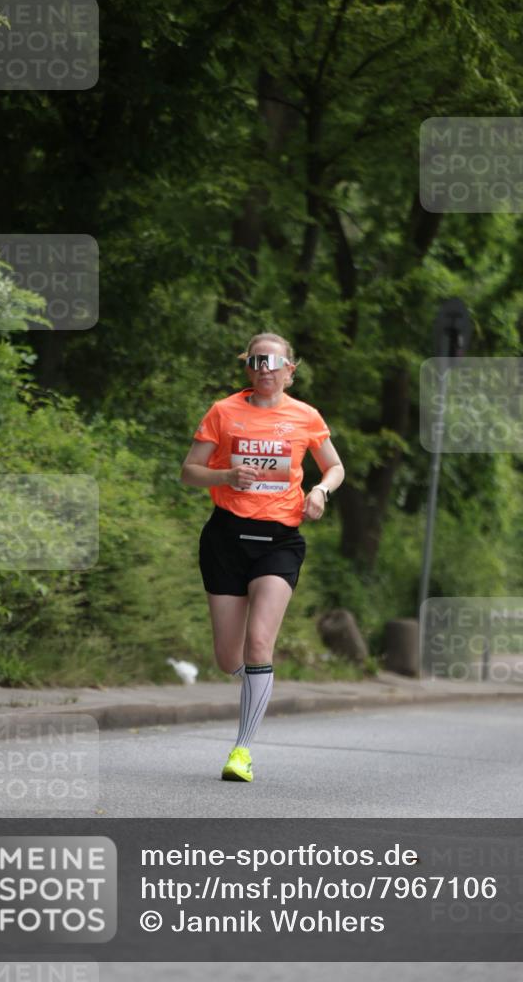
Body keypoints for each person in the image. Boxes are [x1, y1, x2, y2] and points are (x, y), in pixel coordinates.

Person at [180, 332, 345, 782]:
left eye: (273, 362)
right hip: (225, 538)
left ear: (290, 370)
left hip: (280, 540)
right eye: (256, 361)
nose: (265, 369)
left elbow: (334, 466)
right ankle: (259, 680)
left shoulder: (306, 416)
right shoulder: (223, 412)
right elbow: (188, 472)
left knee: (258, 644)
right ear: (247, 368)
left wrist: (320, 490)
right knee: (226, 655)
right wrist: (227, 473)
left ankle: (242, 751)